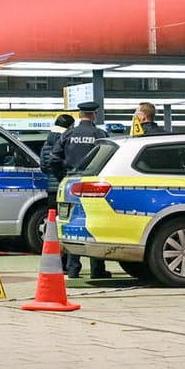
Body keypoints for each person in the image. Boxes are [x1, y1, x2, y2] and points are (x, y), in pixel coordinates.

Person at [56, 101, 112, 279]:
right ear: (94, 115)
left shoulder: (68, 134)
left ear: (80, 115)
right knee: (95, 224)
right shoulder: (99, 134)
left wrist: (63, 176)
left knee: (73, 224)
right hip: (93, 185)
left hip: (71, 183)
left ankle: (73, 269)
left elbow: (53, 158)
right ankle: (97, 269)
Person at [39, 113, 75, 271]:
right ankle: (67, 261)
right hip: (65, 188)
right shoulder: (66, 141)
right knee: (66, 224)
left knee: (52, 226)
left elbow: (43, 165)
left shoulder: (47, 142)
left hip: (51, 189)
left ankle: (53, 258)